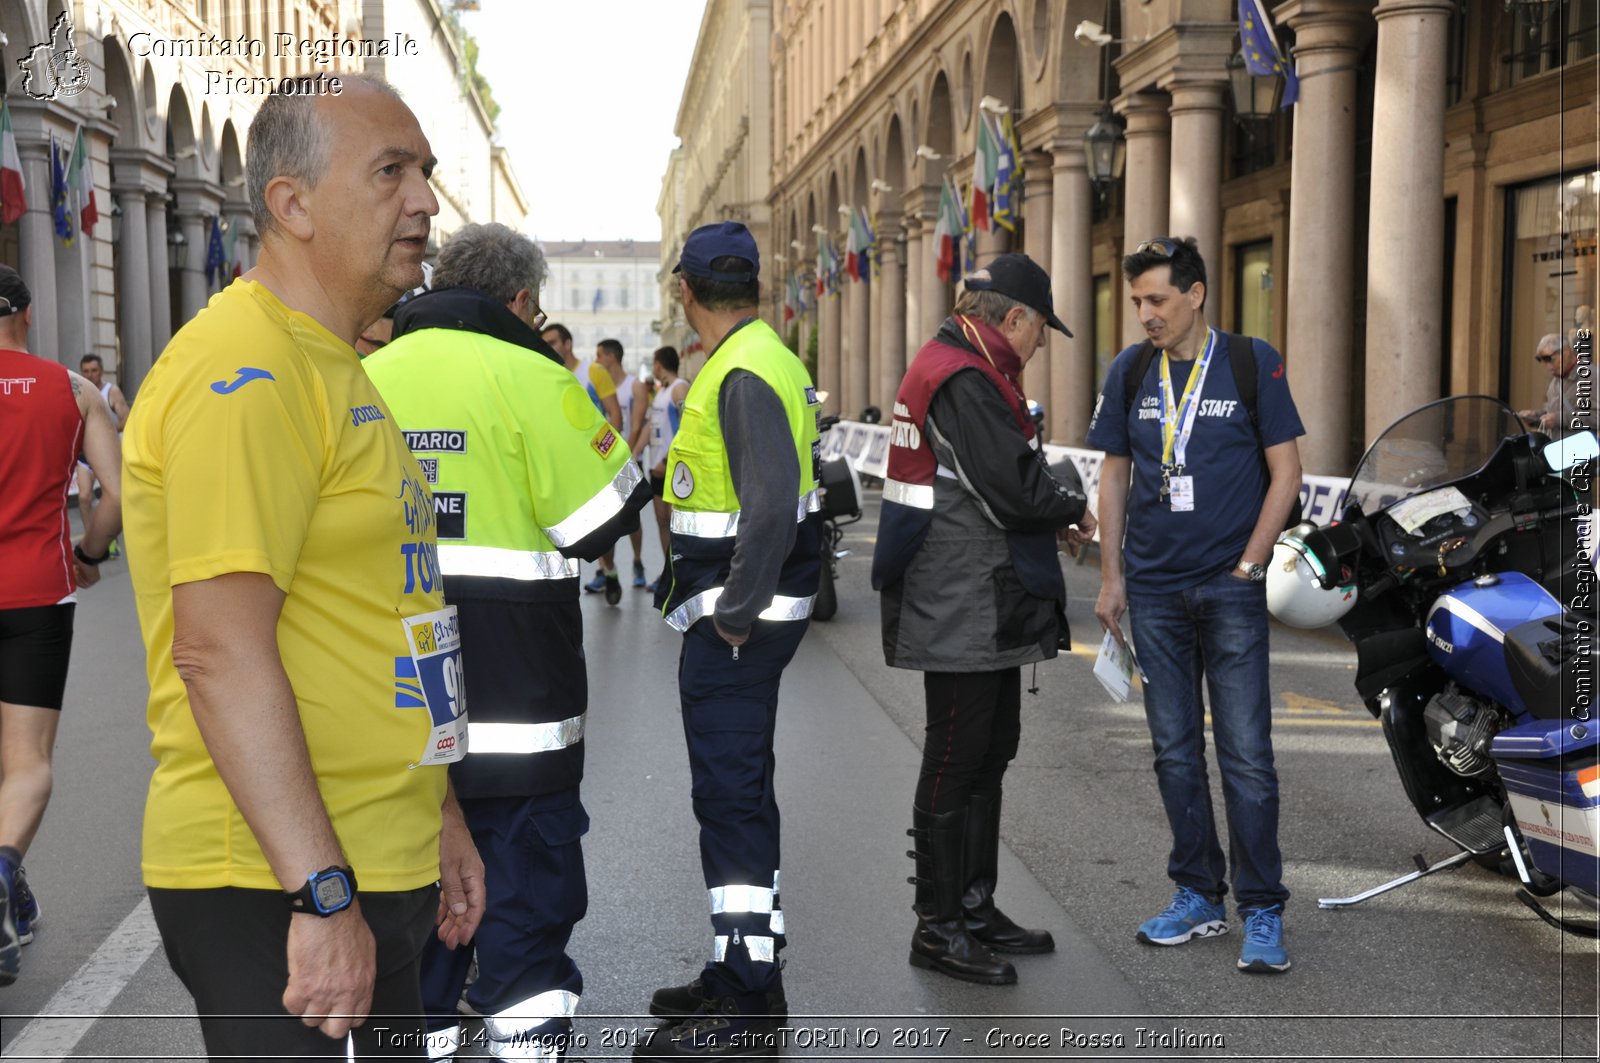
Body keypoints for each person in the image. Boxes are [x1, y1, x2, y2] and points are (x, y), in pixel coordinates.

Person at [121, 75, 485, 1059]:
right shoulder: (243, 374)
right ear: (291, 204)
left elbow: (381, 613)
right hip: (274, 883)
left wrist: (438, 806)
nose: (424, 200)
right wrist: (321, 894)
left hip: (375, 853)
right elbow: (218, 652)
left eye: (427, 172)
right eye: (390, 172)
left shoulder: (332, 365)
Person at [366, 222, 650, 1061]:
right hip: (518, 720)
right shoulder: (537, 378)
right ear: (522, 302)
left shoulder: (361, 376)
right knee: (524, 931)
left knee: (411, 943)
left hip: (389, 716)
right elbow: (602, 524)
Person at [871, 253, 1095, 986]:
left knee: (990, 748)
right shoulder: (962, 375)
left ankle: (974, 905)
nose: (1040, 345)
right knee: (956, 756)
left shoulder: (964, 360)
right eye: (1040, 331)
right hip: (958, 590)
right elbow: (1013, 486)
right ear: (1015, 317)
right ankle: (936, 926)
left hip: (977, 587)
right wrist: (1070, 503)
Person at [1087, 236, 1303, 975]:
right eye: (1138, 300)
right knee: (1175, 753)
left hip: (1230, 590)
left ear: (1197, 293)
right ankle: (1197, 894)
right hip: (1152, 590)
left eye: (1157, 299)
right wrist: (1111, 577)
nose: (1144, 313)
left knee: (1246, 757)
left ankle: (1263, 906)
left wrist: (1251, 562)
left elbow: (1287, 471)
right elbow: (1113, 478)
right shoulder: (1130, 370)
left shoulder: (1250, 360)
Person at [638, 222, 821, 1060]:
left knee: (733, 807)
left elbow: (771, 505)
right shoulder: (763, 355)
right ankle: (741, 970)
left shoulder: (741, 371)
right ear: (753, 285)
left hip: (740, 630)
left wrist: (736, 614)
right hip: (752, 621)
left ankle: (747, 1004)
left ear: (687, 290)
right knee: (741, 800)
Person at [0, 266, 123, 986]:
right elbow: (117, 495)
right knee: (27, 761)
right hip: (36, 593)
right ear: (30, 315)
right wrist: (89, 550)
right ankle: (4, 875)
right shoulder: (72, 391)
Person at [542, 323, 626, 603]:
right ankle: (569, 583)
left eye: (554, 341)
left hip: (593, 467)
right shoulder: (546, 373)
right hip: (561, 467)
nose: (550, 347)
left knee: (601, 528)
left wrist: (600, 456)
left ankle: (609, 570)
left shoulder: (594, 372)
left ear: (568, 343)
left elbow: (616, 416)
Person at [595, 338, 650, 590]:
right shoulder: (599, 386)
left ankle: (637, 562)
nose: (597, 361)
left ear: (611, 357)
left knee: (630, 517)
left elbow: (637, 424)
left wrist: (625, 453)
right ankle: (604, 569)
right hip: (603, 462)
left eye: (600, 355)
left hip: (628, 459)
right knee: (604, 518)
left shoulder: (634, 386)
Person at [640, 346, 689, 593]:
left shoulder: (679, 387)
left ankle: (682, 575)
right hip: (656, 468)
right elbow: (650, 426)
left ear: (659, 364)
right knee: (662, 521)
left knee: (675, 523)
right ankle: (668, 573)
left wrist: (668, 461)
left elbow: (687, 427)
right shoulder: (661, 392)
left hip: (674, 468)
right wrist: (634, 452)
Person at [73, 353, 130, 537]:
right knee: (83, 498)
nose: (90, 375)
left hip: (106, 453)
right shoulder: (78, 391)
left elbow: (127, 418)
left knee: (111, 497)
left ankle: (109, 538)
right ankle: (92, 539)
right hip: (84, 456)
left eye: (94, 371)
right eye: (86, 371)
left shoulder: (110, 391)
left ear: (102, 371)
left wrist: (104, 431)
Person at [1518, 333, 1592, 439]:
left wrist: (1558, 419)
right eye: (1544, 361)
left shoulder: (1591, 376)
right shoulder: (1555, 382)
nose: (1548, 367)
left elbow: (1596, 417)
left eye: (1550, 359)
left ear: (1566, 352)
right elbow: (1551, 412)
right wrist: (1535, 417)